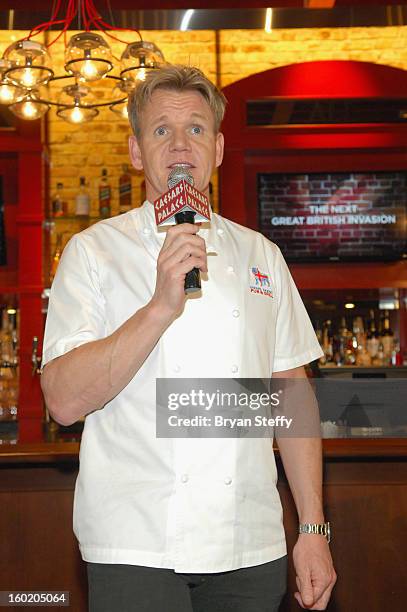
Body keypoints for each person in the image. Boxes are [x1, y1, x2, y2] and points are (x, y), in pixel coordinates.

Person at [41, 64, 336, 612]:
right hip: (134, 545)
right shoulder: (91, 253)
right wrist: (159, 307)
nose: (181, 144)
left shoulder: (260, 255)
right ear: (135, 151)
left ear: (219, 148)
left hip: (248, 543)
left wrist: (314, 529)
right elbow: (61, 401)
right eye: (161, 130)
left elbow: (291, 396)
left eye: (196, 129)